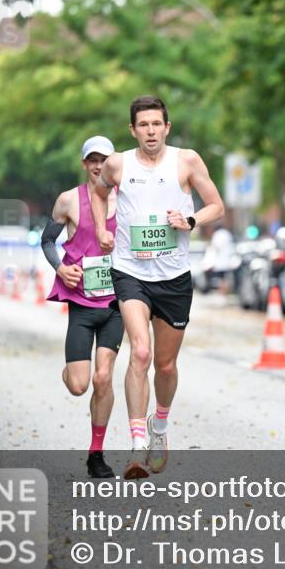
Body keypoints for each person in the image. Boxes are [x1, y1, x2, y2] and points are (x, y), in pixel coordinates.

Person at [92, 96, 225, 479]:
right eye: (143, 125)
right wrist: (102, 229)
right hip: (130, 272)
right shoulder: (118, 164)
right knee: (141, 352)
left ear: (167, 127)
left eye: (156, 124)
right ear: (132, 130)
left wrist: (190, 219)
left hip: (174, 276)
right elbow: (98, 193)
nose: (150, 131)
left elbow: (216, 205)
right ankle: (136, 446)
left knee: (165, 365)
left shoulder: (186, 161)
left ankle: (159, 426)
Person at [41, 135, 124, 479]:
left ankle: (96, 453)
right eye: (93, 160)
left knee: (103, 378)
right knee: (79, 385)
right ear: (84, 164)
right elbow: (48, 240)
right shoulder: (68, 200)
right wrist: (61, 268)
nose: (99, 165)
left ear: (114, 162)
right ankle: (70, 371)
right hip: (81, 302)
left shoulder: (127, 198)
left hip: (117, 303)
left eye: (104, 159)